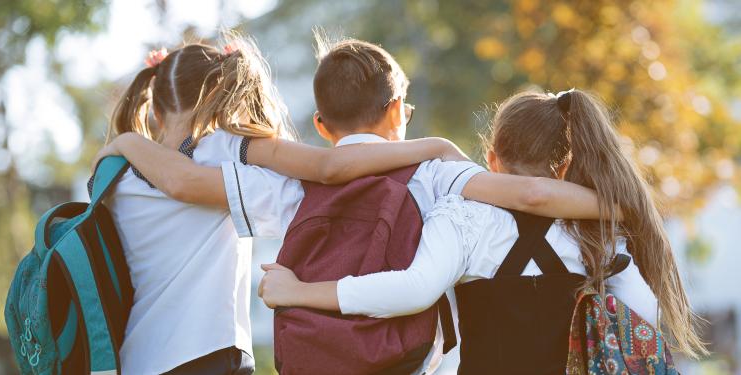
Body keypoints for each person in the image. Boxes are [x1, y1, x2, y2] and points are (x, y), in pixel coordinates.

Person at [98, 36, 609, 373]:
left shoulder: (286, 189)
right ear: (396, 113)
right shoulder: (435, 174)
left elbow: (195, 183)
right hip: (413, 360)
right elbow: (529, 193)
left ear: (320, 125)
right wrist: (618, 205)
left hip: (320, 357)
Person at [258, 90, 708, 373]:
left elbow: (412, 290)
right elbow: (643, 313)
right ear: (567, 164)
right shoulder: (597, 230)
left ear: (491, 159)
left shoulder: (463, 217)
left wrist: (299, 291)